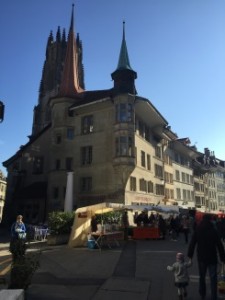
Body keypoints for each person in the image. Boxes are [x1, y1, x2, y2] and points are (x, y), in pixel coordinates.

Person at [187, 213, 225, 300]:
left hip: (201, 257)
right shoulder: (213, 230)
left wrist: (190, 256)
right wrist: (223, 258)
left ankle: (202, 293)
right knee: (213, 278)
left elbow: (192, 243)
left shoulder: (198, 229)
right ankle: (213, 296)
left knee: (202, 276)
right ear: (210, 220)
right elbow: (219, 245)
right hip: (212, 257)